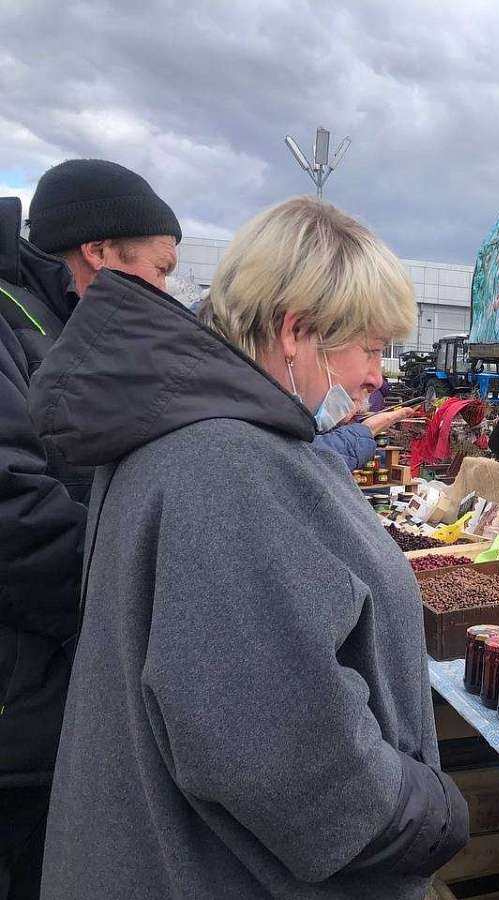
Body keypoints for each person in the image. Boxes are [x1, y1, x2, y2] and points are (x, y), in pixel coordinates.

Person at [30, 197, 467, 898]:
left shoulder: (214, 439)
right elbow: (280, 751)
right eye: (372, 346)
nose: (377, 375)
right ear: (296, 332)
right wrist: (426, 814)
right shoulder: (224, 465)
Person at [0, 157, 182, 900]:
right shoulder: (14, 323)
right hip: (20, 699)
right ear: (100, 253)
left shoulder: (55, 324)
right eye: (162, 269)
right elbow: (12, 513)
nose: (168, 292)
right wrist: (138, 590)